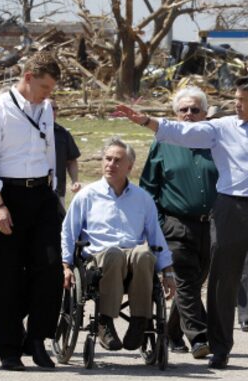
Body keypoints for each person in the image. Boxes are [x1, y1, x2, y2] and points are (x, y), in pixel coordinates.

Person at [116, 75, 248, 376]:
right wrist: (147, 120)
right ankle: (221, 349)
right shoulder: (221, 128)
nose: (235, 104)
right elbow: (182, 132)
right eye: (235, 99)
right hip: (230, 212)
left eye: (242, 100)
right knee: (223, 285)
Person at [0, 52, 63, 371]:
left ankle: (38, 339)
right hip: (6, 195)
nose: (47, 94)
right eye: (44, 87)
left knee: (50, 268)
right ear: (27, 78)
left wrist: (52, 193)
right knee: (5, 276)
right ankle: (9, 348)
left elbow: (49, 150)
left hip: (40, 193)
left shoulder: (45, 110)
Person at [62, 138, 176, 351]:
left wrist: (167, 271)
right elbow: (68, 230)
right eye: (108, 159)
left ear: (129, 167)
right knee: (113, 253)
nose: (110, 164)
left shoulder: (142, 198)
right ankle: (105, 322)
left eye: (117, 160)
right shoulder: (87, 195)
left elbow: (155, 236)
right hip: (98, 260)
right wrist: (66, 264)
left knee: (144, 253)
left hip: (133, 259)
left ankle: (139, 322)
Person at [140, 87, 215, 359]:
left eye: (195, 110)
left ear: (205, 114)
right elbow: (148, 186)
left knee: (194, 284)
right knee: (185, 281)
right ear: (174, 114)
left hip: (210, 226)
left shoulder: (215, 142)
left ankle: (172, 331)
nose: (188, 115)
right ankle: (201, 337)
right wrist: (159, 224)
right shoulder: (163, 143)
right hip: (175, 225)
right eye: (183, 110)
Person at [53, 101, 82, 210]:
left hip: (58, 191)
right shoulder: (32, 132)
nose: (54, 111)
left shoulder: (63, 133)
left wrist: (75, 180)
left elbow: (71, 160)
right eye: (51, 108)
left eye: (56, 108)